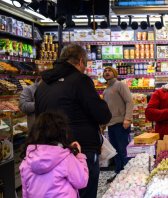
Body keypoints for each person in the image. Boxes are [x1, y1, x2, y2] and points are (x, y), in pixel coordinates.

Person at [35, 44, 112, 198]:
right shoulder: (80, 80)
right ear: (81, 61)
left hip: (48, 151)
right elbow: (103, 115)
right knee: (84, 192)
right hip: (79, 150)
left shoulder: (43, 84)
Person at [19, 111, 89, 198]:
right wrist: (79, 156)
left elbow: (25, 194)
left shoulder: (26, 162)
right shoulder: (65, 158)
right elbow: (82, 181)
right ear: (61, 133)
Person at [102, 66, 133, 182]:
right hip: (111, 124)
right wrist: (103, 124)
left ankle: (128, 175)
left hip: (121, 123)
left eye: (109, 70)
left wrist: (127, 119)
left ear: (114, 73)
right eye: (105, 71)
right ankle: (119, 173)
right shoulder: (105, 90)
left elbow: (129, 101)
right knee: (115, 151)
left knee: (123, 149)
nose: (107, 72)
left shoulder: (120, 85)